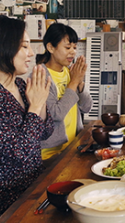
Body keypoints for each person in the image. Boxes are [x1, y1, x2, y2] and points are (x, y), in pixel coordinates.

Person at [0, 15, 53, 222]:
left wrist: (39, 104)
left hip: (28, 189)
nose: (31, 53)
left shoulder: (22, 86)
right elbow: (19, 152)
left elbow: (45, 132)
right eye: (24, 46)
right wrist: (35, 107)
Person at [35, 23, 92, 161]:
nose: (72, 52)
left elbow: (86, 107)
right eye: (67, 47)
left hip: (72, 147)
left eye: (74, 47)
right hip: (50, 154)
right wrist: (73, 82)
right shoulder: (40, 76)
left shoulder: (69, 72)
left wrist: (79, 85)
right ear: (50, 47)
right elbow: (56, 114)